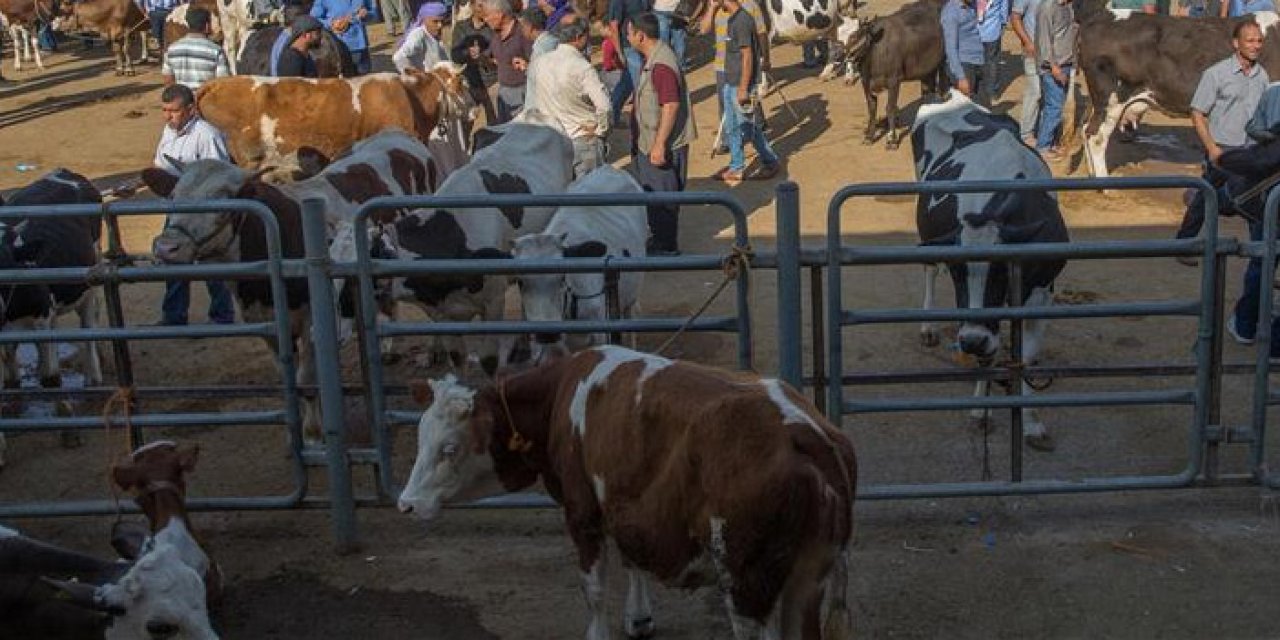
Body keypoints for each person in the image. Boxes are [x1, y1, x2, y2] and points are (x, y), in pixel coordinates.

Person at [1176, 20, 1269, 242]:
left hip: (1250, 150)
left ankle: (1259, 258)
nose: (1256, 45)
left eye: (1259, 41)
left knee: (1253, 201)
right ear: (1236, 43)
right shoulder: (1216, 74)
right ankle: (1183, 242)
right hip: (1223, 150)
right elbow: (1197, 113)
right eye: (1250, 41)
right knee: (1209, 198)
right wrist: (1212, 149)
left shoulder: (1262, 76)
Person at [152, 84, 236, 327]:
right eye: (164, 110)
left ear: (191, 109)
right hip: (176, 208)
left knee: (211, 263)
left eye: (174, 111)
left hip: (201, 212)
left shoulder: (207, 134)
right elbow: (159, 165)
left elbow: (217, 175)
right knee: (174, 261)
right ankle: (174, 316)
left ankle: (222, 316)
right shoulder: (168, 131)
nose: (168, 116)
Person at [627, 13, 696, 256]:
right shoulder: (655, 57)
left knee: (662, 196)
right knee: (657, 195)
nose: (627, 37)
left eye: (629, 32)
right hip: (651, 140)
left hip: (661, 144)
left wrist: (659, 144)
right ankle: (661, 239)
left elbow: (670, 105)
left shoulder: (662, 65)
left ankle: (665, 246)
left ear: (640, 35)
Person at [1225, 81, 1280, 350]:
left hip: (1269, 197)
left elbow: (1253, 132)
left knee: (1261, 261)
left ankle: (1247, 324)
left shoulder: (1273, 91)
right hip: (1270, 196)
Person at [527, 16, 611, 177]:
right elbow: (604, 106)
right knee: (590, 195)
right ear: (580, 38)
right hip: (582, 140)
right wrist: (601, 130)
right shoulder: (582, 67)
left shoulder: (540, 62)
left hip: (553, 140)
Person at [712, 0, 778, 185]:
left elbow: (748, 56)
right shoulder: (733, 18)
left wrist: (743, 88)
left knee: (747, 128)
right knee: (733, 126)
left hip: (740, 84)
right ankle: (736, 166)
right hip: (730, 81)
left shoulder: (741, 21)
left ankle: (770, 160)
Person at [699, 0, 766, 152]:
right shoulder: (716, 8)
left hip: (742, 64)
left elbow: (761, 33)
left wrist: (765, 59)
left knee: (746, 101)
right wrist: (712, 8)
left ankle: (758, 130)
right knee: (725, 103)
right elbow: (703, 29)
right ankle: (729, 141)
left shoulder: (750, 6)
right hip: (722, 65)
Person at [1033, 0, 1076, 161]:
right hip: (1052, 67)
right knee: (1054, 107)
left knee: (1055, 106)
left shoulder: (1067, 7)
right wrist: (1054, 67)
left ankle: (1050, 143)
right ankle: (1043, 147)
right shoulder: (1047, 8)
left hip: (1065, 62)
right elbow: (1044, 41)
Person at [480, 0, 532, 123]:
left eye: (488, 15)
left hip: (522, 93)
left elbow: (538, 62)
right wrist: (481, 58)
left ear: (500, 15)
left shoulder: (522, 32)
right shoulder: (496, 35)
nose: (485, 20)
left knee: (519, 133)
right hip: (503, 93)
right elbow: (493, 60)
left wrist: (527, 65)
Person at [451, 3, 499, 123]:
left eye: (486, 4)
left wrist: (484, 55)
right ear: (471, 6)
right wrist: (468, 52)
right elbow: (455, 56)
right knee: (467, 123)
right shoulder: (461, 27)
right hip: (470, 83)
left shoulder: (494, 26)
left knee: (495, 122)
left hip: (492, 82)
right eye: (480, 6)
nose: (484, 9)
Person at [161, 8, 231, 89]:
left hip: (183, 99)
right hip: (206, 99)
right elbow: (222, 81)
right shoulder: (216, 50)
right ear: (207, 26)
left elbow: (168, 80)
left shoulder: (171, 49)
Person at [608, 0, 653, 125]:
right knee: (639, 84)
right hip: (629, 47)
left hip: (644, 45)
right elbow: (613, 26)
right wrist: (619, 52)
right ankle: (642, 121)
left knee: (626, 84)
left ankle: (612, 117)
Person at [1011, 0, 1045, 144]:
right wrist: (1027, 42)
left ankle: (1044, 133)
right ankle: (1026, 133)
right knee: (1035, 91)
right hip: (1033, 51)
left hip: (1051, 52)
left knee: (1047, 92)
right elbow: (1015, 17)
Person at [311, 0, 377, 74]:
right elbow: (314, 18)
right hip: (339, 48)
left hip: (361, 47)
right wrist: (331, 23)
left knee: (365, 79)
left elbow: (373, 13)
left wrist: (366, 14)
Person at [941, 0, 985, 104]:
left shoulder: (971, 5)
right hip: (964, 65)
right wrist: (961, 77)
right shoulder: (951, 12)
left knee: (983, 107)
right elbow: (951, 48)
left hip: (977, 62)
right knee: (967, 110)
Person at [392, 1, 449, 72]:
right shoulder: (418, 35)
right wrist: (416, 76)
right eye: (435, 21)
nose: (440, 25)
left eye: (442, 21)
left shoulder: (434, 34)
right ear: (424, 20)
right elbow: (399, 57)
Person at [977, 0, 1008, 107]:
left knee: (977, 61)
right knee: (992, 62)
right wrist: (1002, 25)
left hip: (975, 31)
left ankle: (977, 90)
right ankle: (992, 93)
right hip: (993, 31)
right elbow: (1004, 11)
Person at [653, 0, 688, 70]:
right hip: (677, 10)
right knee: (679, 41)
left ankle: (667, 66)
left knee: (664, 43)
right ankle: (681, 67)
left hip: (660, 8)